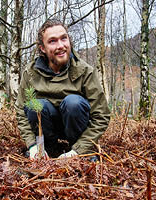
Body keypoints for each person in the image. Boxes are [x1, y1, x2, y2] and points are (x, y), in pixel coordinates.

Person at [15, 18, 110, 159]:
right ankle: (47, 149)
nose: (61, 45)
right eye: (52, 41)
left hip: (77, 131)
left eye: (63, 38)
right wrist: (33, 145)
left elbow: (101, 116)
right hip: (46, 130)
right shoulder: (30, 73)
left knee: (74, 103)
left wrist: (79, 151)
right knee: (36, 106)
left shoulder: (85, 71)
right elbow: (21, 112)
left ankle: (82, 153)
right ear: (42, 48)